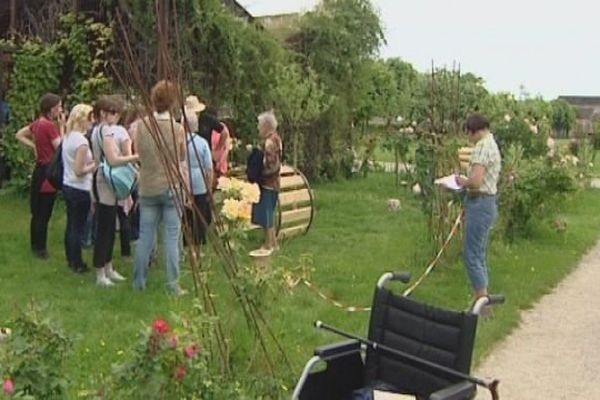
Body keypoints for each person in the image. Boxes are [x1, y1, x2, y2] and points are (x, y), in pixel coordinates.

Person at [133, 80, 187, 295]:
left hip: (147, 186)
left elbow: (138, 152)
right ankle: (173, 286)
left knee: (145, 236)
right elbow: (182, 156)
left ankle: (139, 282)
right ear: (173, 102)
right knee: (172, 238)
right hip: (171, 186)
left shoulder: (142, 126)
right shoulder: (177, 129)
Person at [91, 96, 139, 287]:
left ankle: (108, 267)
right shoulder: (105, 131)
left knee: (110, 225)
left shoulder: (99, 130)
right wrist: (136, 156)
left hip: (104, 179)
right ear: (103, 113)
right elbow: (111, 159)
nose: (116, 116)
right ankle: (100, 272)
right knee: (105, 227)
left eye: (118, 112)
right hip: (105, 181)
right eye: (112, 112)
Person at [456, 113, 501, 300]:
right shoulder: (492, 143)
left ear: (476, 131)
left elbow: (475, 181)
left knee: (471, 255)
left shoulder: (482, 147)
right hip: (487, 202)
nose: (469, 138)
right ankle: (482, 299)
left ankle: (482, 302)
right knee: (479, 253)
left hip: (480, 203)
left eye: (469, 134)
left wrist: (460, 181)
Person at [15, 93, 65, 259]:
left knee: (36, 210)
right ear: (51, 109)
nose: (61, 110)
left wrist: (34, 145)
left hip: (39, 169)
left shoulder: (37, 123)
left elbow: (19, 134)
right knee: (44, 211)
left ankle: (34, 244)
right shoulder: (49, 126)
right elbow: (60, 147)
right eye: (58, 107)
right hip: (49, 170)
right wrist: (63, 127)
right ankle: (41, 249)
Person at [62, 104, 96, 273]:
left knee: (71, 224)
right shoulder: (82, 142)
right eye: (90, 118)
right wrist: (94, 165)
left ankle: (70, 257)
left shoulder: (68, 137)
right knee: (78, 227)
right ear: (82, 119)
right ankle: (77, 262)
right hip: (79, 187)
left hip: (68, 184)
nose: (92, 121)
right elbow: (79, 170)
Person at [251, 111, 282, 255]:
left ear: (266, 126)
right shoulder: (277, 139)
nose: (258, 128)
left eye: (259, 125)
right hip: (275, 183)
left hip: (268, 184)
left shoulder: (269, 142)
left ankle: (268, 244)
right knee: (270, 212)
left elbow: (271, 165)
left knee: (267, 214)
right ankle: (274, 243)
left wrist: (259, 174)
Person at [183, 110, 213, 254]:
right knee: (200, 214)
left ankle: (187, 245)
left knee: (186, 216)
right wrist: (209, 186)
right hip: (199, 182)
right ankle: (199, 246)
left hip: (183, 180)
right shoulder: (202, 143)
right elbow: (209, 168)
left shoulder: (179, 142)